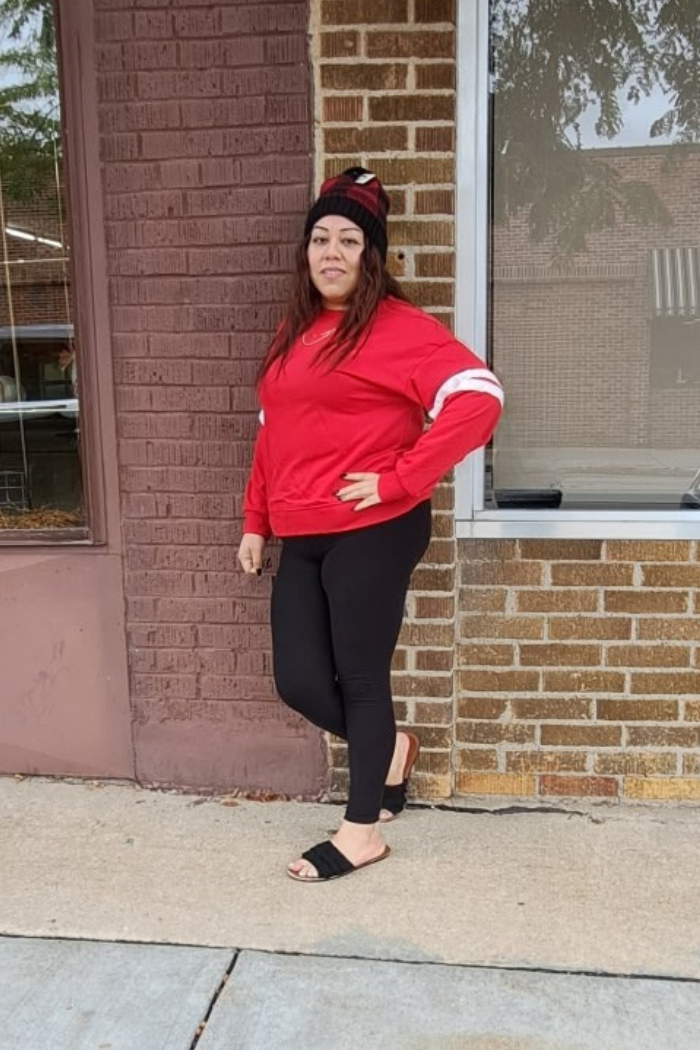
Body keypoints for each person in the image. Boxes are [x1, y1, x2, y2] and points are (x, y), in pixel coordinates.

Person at [238, 167, 503, 882]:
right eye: (320, 238)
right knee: (298, 681)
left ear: (370, 255)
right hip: (302, 530)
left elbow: (479, 397)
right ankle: (388, 752)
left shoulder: (396, 327)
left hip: (375, 527)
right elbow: (272, 433)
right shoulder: (293, 332)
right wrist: (256, 519)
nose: (331, 252)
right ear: (305, 251)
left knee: (360, 679)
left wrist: (398, 479)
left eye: (349, 240)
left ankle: (362, 833)